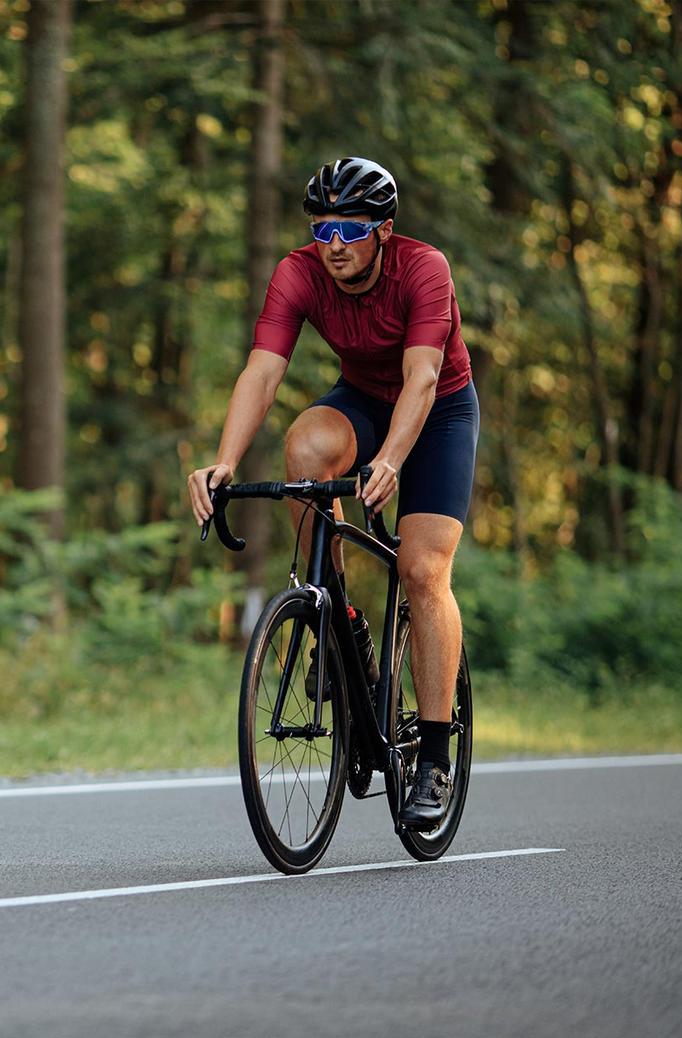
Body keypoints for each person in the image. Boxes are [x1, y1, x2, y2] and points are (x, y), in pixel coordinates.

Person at [186, 156, 479, 830]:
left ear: (383, 229)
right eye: (324, 229)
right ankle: (337, 618)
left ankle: (434, 755)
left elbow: (425, 376)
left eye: (351, 227)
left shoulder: (423, 267)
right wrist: (223, 462)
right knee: (306, 450)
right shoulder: (299, 273)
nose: (336, 244)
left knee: (421, 568)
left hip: (438, 413)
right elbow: (262, 371)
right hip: (363, 402)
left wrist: (393, 460)